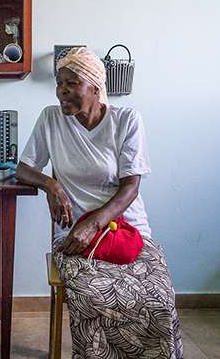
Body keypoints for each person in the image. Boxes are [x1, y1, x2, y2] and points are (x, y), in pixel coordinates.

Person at [16, 47, 183, 358]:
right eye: (59, 83)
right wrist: (51, 185)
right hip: (74, 236)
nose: (62, 92)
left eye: (72, 83)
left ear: (95, 87)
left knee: (157, 297)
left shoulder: (127, 120)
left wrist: (95, 223)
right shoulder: (51, 119)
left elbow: (131, 186)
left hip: (127, 231)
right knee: (93, 296)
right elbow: (24, 169)